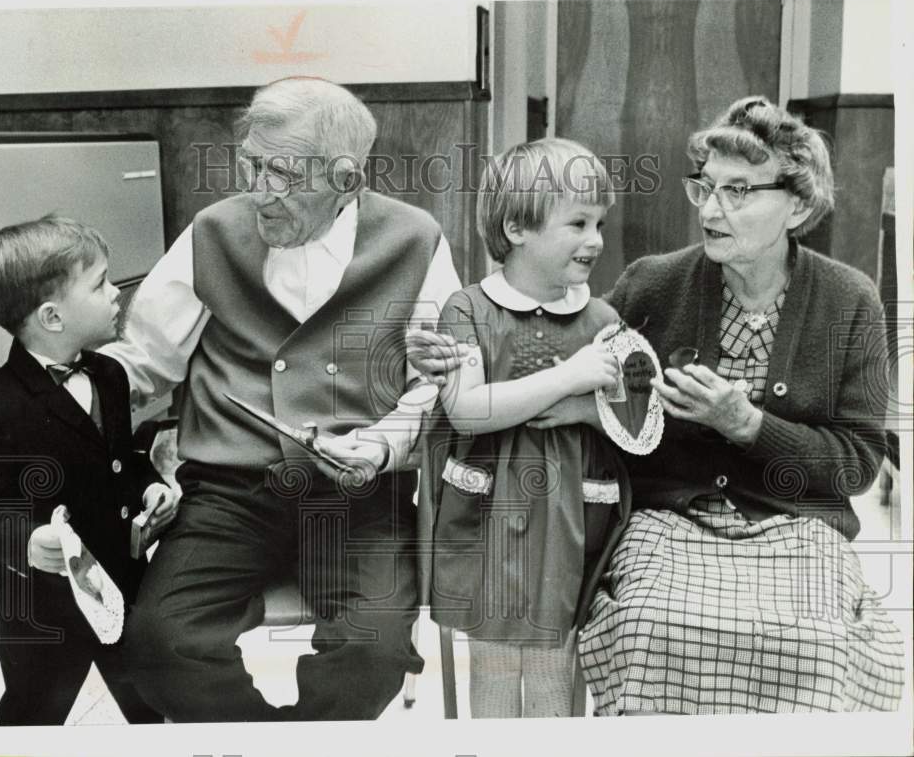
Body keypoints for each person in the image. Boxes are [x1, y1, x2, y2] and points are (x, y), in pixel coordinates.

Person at [413, 96, 906, 714]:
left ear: (798, 205)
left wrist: (749, 425)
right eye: (706, 187)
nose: (712, 208)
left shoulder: (849, 301)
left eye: (740, 191)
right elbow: (584, 371)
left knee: (819, 641)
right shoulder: (652, 283)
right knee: (647, 627)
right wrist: (449, 362)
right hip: (671, 517)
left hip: (796, 524)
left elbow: (858, 464)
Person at [100, 77, 462, 722]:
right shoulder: (213, 231)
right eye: (253, 166)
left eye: (284, 174)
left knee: (374, 649)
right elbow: (147, 360)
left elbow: (434, 382)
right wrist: (64, 392)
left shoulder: (415, 238)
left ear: (347, 179)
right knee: (159, 642)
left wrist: (380, 445)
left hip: (359, 498)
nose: (261, 191)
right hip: (227, 494)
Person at [428, 138, 632, 717]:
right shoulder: (466, 310)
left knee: (555, 673)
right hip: (489, 520)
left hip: (570, 520)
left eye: (598, 223)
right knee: (493, 669)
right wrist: (570, 376)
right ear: (518, 226)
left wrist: (588, 406)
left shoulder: (602, 319)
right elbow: (467, 407)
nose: (595, 240)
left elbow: (632, 423)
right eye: (577, 223)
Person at [0, 216, 178, 725]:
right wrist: (28, 541)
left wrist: (150, 489)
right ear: (53, 317)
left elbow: (123, 460)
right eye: (100, 283)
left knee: (148, 701)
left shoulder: (110, 375)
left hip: (124, 584)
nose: (118, 292)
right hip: (44, 610)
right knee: (31, 716)